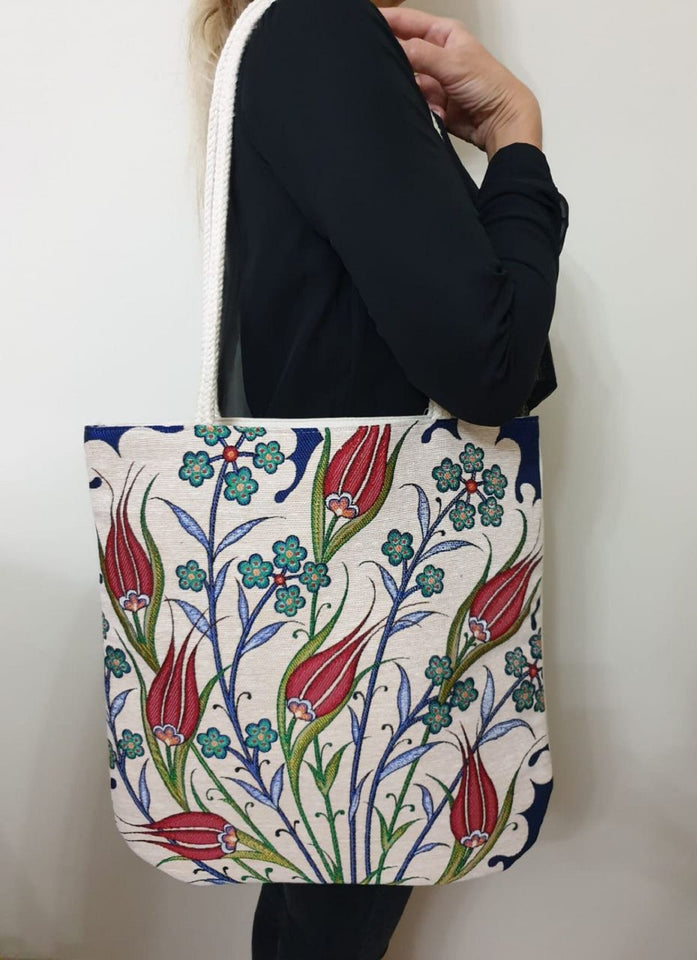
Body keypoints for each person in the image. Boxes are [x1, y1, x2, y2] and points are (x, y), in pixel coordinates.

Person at [190, 0, 569, 956]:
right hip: (372, 609)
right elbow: (490, 365)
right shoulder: (321, 28)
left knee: (318, 896)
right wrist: (516, 135)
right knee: (330, 911)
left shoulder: (297, 36)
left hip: (336, 597)